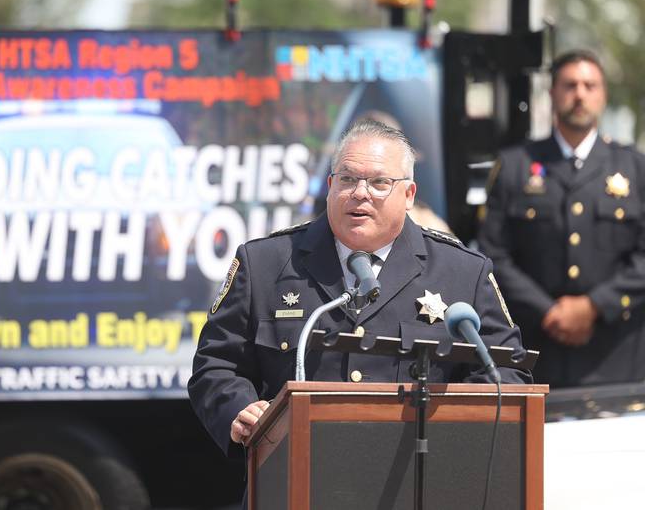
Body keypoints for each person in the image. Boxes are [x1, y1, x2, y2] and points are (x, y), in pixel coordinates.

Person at [189, 119, 531, 461]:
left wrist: (442, 429)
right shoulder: (265, 263)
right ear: (330, 185)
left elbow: (506, 373)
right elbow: (216, 365)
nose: (360, 193)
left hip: (415, 474)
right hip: (294, 472)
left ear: (409, 194)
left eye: (380, 182)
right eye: (348, 179)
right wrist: (240, 410)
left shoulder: (463, 272)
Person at [478, 50, 645, 387]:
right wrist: (549, 311)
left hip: (616, 357)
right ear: (552, 93)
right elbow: (492, 255)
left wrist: (594, 306)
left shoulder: (634, 167)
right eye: (570, 85)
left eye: (589, 85)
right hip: (535, 352)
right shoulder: (514, 165)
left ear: (603, 96)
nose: (580, 94)